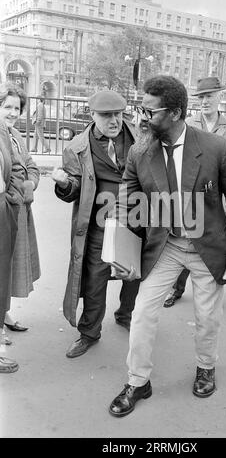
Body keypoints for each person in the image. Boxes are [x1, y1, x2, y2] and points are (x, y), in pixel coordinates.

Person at [109, 75, 226, 417]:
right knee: (142, 312)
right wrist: (119, 250)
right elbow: (126, 199)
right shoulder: (140, 150)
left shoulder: (215, 148)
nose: (142, 117)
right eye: (140, 109)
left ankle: (206, 366)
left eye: (149, 111)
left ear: (174, 113)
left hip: (208, 249)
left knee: (207, 317)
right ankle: (138, 381)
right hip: (166, 246)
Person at [52, 90, 140, 359]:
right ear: (92, 115)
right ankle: (89, 332)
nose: (114, 120)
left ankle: (127, 314)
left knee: (135, 273)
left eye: (118, 114)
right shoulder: (76, 147)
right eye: (106, 115)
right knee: (94, 280)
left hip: (136, 221)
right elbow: (75, 187)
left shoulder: (141, 137)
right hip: (98, 226)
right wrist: (65, 184)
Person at [164, 76, 226, 308]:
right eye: (201, 97)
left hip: (216, 197)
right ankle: (176, 288)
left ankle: (211, 285)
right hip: (188, 195)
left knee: (212, 241)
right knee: (182, 240)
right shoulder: (187, 124)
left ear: (220, 97)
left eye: (209, 96)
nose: (205, 101)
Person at [0, 82, 40, 337]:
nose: (13, 112)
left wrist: (30, 183)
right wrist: (16, 192)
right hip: (6, 208)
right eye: (7, 107)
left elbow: (30, 164)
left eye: (17, 108)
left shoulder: (15, 135)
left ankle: (4, 314)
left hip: (19, 209)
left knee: (10, 266)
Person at [0, 118, 24, 372]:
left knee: (0, 279)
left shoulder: (1, 129)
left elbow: (17, 166)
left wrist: (11, 197)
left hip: (1, 207)